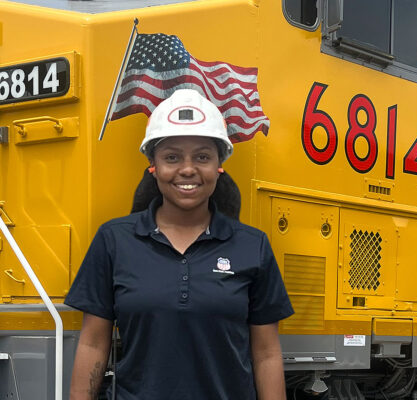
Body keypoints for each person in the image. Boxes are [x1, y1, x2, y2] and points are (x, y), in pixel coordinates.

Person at [64, 88, 294, 400]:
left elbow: (266, 353)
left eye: (202, 157)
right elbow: (92, 343)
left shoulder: (252, 246)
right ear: (153, 166)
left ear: (219, 166)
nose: (188, 169)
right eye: (172, 157)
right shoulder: (114, 240)